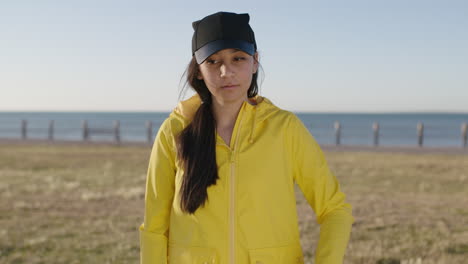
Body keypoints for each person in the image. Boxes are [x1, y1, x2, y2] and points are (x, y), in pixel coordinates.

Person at [139, 11, 353, 264]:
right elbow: (154, 228)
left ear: (255, 62)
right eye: (213, 61)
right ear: (198, 70)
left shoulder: (284, 128)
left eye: (238, 58)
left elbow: (334, 210)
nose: (226, 71)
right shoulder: (173, 131)